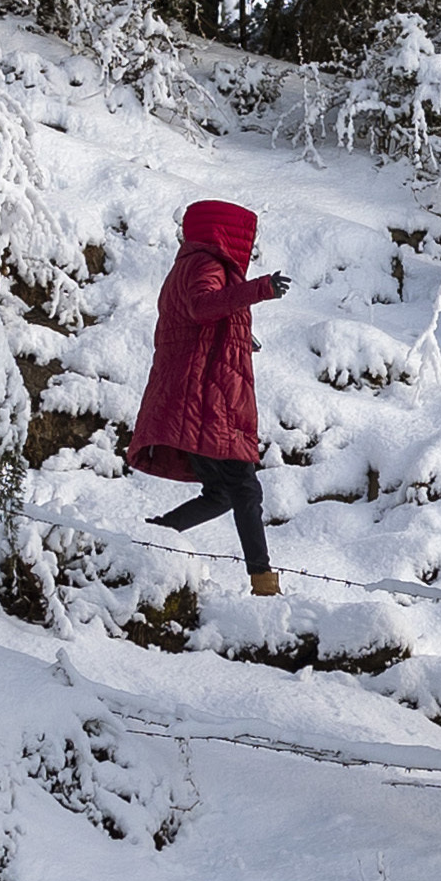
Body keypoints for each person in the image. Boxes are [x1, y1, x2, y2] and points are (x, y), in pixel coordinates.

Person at [127, 199, 291, 595]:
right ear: (225, 233)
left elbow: (197, 318)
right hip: (207, 398)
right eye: (246, 239)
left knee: (221, 493)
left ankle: (153, 536)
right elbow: (202, 306)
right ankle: (263, 581)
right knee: (245, 489)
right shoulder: (206, 265)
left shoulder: (190, 265)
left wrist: (237, 333)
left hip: (202, 392)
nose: (249, 249)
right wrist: (260, 289)